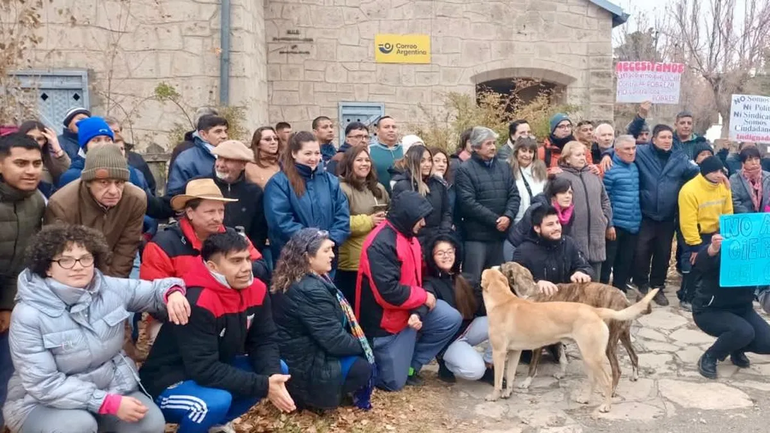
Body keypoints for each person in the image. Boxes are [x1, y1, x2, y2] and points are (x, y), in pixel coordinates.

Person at [4, 224, 190, 433]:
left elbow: (154, 290)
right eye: (65, 260)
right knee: (77, 426)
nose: (78, 266)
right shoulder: (28, 313)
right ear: (47, 267)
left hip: (111, 386)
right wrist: (107, 403)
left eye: (85, 258)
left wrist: (172, 293)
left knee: (149, 422)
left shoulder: (108, 288)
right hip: (43, 403)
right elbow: (43, 384)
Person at [140, 230, 294, 433]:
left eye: (247, 259)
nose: (247, 267)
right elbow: (203, 368)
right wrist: (264, 385)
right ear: (213, 267)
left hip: (212, 368)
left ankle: (215, 425)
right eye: (236, 261)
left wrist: (271, 378)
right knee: (214, 402)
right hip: (168, 381)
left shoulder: (256, 289)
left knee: (278, 369)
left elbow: (263, 340)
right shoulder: (197, 300)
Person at [356, 190, 462, 390]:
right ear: (407, 216)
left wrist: (417, 310)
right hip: (384, 322)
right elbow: (388, 293)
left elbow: (417, 275)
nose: (423, 223)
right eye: (419, 218)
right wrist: (423, 297)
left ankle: (411, 364)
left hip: (408, 310)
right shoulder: (380, 243)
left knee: (450, 318)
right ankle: (389, 361)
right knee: (393, 383)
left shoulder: (408, 236)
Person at [271, 229, 375, 410]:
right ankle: (313, 399)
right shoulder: (310, 289)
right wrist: (364, 346)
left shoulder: (299, 277)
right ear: (308, 257)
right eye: (326, 251)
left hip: (296, 353)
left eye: (332, 250)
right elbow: (334, 341)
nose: (332, 256)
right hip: (303, 364)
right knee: (363, 367)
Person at [610, 104, 700, 306]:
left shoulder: (679, 158)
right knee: (641, 252)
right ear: (654, 139)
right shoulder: (641, 153)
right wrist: (640, 115)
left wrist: (719, 174)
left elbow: (697, 174)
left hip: (667, 216)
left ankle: (657, 287)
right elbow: (627, 138)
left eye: (669, 137)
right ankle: (641, 284)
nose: (667, 141)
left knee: (663, 253)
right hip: (646, 214)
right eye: (663, 137)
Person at [46, 145, 147, 278]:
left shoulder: (135, 199)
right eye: (104, 182)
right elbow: (61, 256)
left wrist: (113, 286)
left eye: (119, 182)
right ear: (88, 182)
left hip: (113, 267)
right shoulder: (62, 204)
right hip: (74, 271)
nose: (113, 191)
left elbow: (127, 247)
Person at [0, 134, 45, 427]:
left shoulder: (38, 202)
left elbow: (26, 261)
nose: (31, 170)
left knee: (7, 371)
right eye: (20, 163)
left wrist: (7, 306)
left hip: (11, 301)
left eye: (37, 163)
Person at [690, 234, 770, 379]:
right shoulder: (722, 252)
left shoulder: (758, 257)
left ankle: (735, 347)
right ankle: (710, 356)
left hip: (742, 309)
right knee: (744, 331)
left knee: (767, 341)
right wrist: (713, 248)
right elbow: (701, 263)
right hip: (709, 310)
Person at [264, 131, 350, 265]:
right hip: (293, 258)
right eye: (308, 153)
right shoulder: (279, 183)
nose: (314, 158)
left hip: (326, 255)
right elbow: (281, 221)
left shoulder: (331, 181)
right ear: (294, 153)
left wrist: (330, 240)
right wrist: (313, 242)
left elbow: (342, 214)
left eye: (317, 153)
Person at [455, 127, 520, 281]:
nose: (493, 147)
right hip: (476, 238)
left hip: (500, 236)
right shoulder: (464, 170)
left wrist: (508, 216)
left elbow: (514, 195)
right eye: (488, 144)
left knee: (499, 282)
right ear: (476, 147)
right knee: (474, 282)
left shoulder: (504, 166)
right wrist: (496, 220)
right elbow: (468, 203)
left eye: (494, 143)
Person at [424, 234, 489, 383]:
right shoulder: (430, 283)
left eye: (450, 252)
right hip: (448, 340)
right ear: (432, 257)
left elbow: (482, 311)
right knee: (475, 371)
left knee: (501, 321)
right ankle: (446, 361)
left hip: (468, 330)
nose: (446, 256)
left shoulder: (467, 278)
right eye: (440, 253)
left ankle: (489, 364)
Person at [677, 156, 733, 310]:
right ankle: (686, 297)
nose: (718, 174)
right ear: (704, 172)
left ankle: (705, 296)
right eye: (714, 171)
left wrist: (726, 232)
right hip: (694, 232)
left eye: (720, 171)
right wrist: (694, 246)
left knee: (712, 265)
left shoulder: (723, 186)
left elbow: (728, 211)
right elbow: (688, 221)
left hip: (714, 232)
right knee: (693, 263)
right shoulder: (689, 190)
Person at [336, 146, 389, 304]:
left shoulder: (378, 188)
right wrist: (369, 221)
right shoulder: (341, 189)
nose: (364, 164)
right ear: (349, 163)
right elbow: (340, 222)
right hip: (352, 263)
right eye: (359, 160)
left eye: (367, 160)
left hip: (377, 259)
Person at [555, 141, 612, 280]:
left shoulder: (594, 174)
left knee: (595, 285)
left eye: (584, 155)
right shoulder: (560, 177)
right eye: (577, 155)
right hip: (574, 238)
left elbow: (605, 199)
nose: (582, 158)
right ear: (567, 158)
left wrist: (604, 219)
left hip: (596, 238)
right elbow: (555, 205)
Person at [513, 205, 594, 294]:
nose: (556, 228)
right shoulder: (523, 252)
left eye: (557, 222)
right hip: (539, 303)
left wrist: (581, 272)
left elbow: (586, 266)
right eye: (550, 224)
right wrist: (536, 283)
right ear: (537, 228)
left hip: (568, 300)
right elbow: (517, 281)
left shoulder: (569, 243)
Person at [207, 140, 268, 251]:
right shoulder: (203, 185)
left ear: (243, 165)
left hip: (242, 254)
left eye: (228, 160)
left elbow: (259, 232)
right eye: (219, 158)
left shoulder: (254, 192)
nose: (220, 165)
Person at [391, 145, 453, 247]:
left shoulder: (438, 184)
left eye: (429, 160)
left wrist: (443, 235)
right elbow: (399, 219)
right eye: (422, 161)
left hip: (437, 240)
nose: (427, 164)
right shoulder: (402, 186)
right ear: (414, 162)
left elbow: (446, 211)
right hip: (413, 243)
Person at [601, 135, 641, 290]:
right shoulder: (609, 170)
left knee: (625, 261)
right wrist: (609, 224)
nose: (631, 152)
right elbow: (605, 199)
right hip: (615, 224)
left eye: (633, 148)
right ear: (616, 151)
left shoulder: (634, 167)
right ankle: (603, 291)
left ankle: (619, 290)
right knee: (608, 261)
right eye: (627, 149)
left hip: (633, 224)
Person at [505, 136, 547, 260]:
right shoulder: (507, 169)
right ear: (517, 151)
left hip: (535, 222)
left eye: (530, 151)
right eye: (523, 150)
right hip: (515, 221)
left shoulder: (540, 171)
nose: (527, 155)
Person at [167, 115, 229, 196]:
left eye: (226, 131)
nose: (224, 136)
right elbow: (174, 194)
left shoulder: (234, 156)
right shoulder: (186, 159)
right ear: (203, 134)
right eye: (218, 131)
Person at [509, 177, 575, 249]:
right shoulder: (538, 209)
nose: (568, 196)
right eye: (563, 192)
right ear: (553, 196)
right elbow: (529, 236)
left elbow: (566, 237)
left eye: (570, 192)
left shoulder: (569, 212)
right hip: (517, 246)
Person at [57, 116, 115, 188]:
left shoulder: (127, 171)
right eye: (96, 140)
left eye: (108, 140)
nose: (104, 145)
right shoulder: (72, 177)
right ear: (84, 146)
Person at [18, 120, 70, 197]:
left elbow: (67, 172)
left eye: (39, 139)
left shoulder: (50, 162)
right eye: (30, 137)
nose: (34, 142)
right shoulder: (10, 159)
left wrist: (57, 148)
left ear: (45, 141)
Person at [169, 107, 219, 172]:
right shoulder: (184, 149)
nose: (223, 135)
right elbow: (176, 179)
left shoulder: (224, 148)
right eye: (217, 130)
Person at [730, 146, 770, 213]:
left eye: (756, 159)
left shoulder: (768, 176)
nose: (754, 162)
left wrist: (765, 215)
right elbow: (735, 202)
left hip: (764, 218)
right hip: (745, 219)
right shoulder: (735, 179)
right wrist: (751, 218)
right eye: (749, 160)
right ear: (743, 163)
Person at [369, 116, 403, 192]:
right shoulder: (369, 150)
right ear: (377, 131)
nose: (391, 130)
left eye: (394, 127)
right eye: (386, 127)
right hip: (378, 198)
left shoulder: (405, 150)